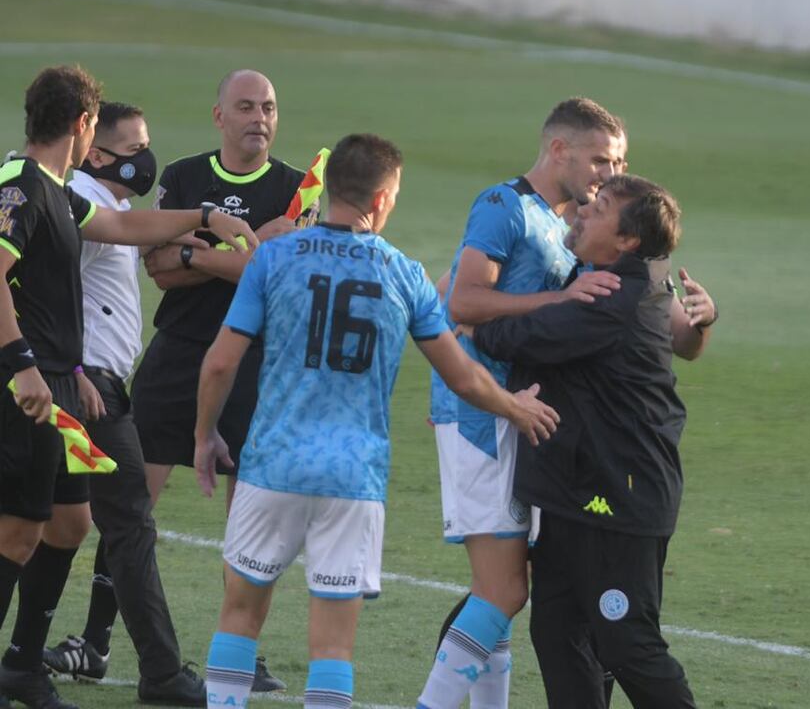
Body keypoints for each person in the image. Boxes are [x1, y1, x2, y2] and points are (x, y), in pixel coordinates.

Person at [194, 133, 559, 709]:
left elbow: (219, 363)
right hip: (353, 478)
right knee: (333, 648)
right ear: (384, 198)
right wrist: (518, 407)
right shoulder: (405, 274)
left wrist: (205, 434)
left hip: (271, 464)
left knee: (239, 614)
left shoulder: (273, 257)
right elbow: (462, 376)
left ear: (329, 189)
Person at [0, 65, 258, 709]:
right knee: (23, 531)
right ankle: (125, 672)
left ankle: (23, 664)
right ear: (85, 125)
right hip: (31, 387)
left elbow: (122, 227)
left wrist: (203, 215)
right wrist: (22, 364)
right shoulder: (21, 184)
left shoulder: (60, 192)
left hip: (63, 384)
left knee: (63, 526)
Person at [418, 97, 625, 709]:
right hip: (480, 414)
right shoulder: (501, 206)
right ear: (559, 149)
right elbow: (464, 303)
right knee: (503, 589)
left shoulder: (566, 225)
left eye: (618, 164)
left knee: (505, 587)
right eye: (599, 160)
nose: (608, 176)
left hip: (521, 415)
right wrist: (562, 302)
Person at [470, 175, 700, 707]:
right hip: (580, 493)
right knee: (558, 632)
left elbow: (524, 337)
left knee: (626, 642)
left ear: (627, 242)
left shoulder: (612, 300)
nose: (580, 213)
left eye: (597, 211)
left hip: (620, 498)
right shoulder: (624, 275)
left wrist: (474, 324)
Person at [133, 68, 315, 692]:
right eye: (245, 107)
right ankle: (96, 636)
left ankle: (243, 655)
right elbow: (157, 267)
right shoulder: (183, 178)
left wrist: (201, 252)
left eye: (268, 106)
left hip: (254, 363)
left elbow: (277, 277)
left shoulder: (295, 189)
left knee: (250, 520)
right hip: (177, 354)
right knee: (132, 505)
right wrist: (247, 252)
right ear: (219, 116)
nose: (258, 118)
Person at [35, 102, 206, 705]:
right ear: (99, 152)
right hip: (88, 390)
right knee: (130, 524)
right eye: (136, 147)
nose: (147, 157)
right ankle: (161, 672)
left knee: (56, 524)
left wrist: (217, 234)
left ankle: (22, 659)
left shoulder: (112, 205)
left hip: (89, 386)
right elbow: (47, 290)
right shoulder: (77, 197)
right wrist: (76, 368)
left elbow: (150, 235)